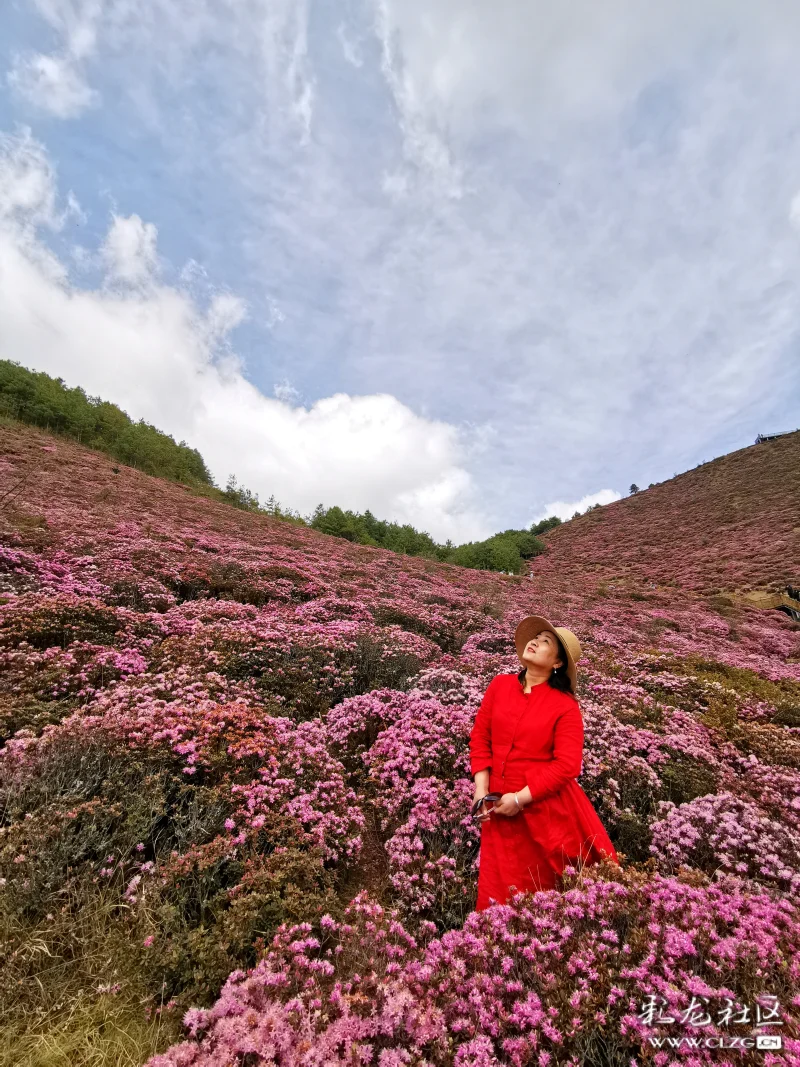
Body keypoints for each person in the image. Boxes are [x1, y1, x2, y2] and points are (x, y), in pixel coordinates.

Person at [469, 614, 618, 911]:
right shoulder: (499, 685)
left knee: (544, 897)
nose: (535, 641)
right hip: (497, 806)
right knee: (496, 895)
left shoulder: (565, 706)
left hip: (543, 812)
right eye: (535, 637)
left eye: (546, 641)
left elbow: (567, 765)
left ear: (558, 664)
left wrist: (519, 799)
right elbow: (480, 738)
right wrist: (480, 791)